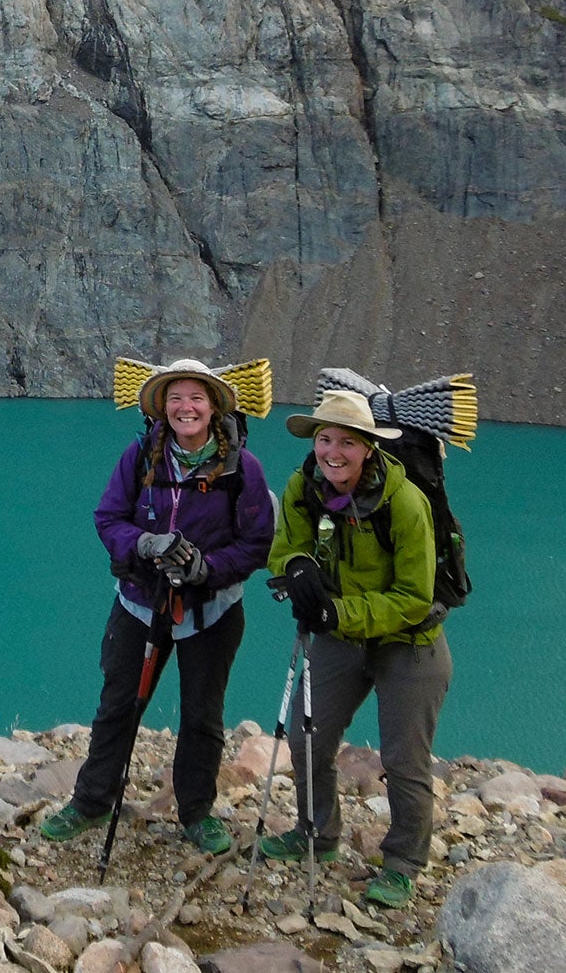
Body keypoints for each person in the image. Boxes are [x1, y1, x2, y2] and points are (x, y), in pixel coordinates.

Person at [39, 358, 275, 856]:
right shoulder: (142, 455)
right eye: (175, 398)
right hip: (141, 603)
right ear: (162, 408)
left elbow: (257, 542)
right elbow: (108, 517)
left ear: (213, 408)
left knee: (202, 714)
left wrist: (206, 568)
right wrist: (145, 544)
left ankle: (196, 811)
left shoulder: (242, 469)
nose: (185, 408)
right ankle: (91, 800)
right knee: (119, 703)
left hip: (210, 609)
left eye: (195, 398)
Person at [262, 388, 451, 908]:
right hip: (340, 639)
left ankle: (403, 864)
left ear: (369, 447)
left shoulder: (406, 502)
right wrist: (296, 565)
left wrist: (336, 612)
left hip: (409, 644)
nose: (333, 452)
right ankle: (316, 834)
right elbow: (285, 545)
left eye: (347, 441)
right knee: (307, 740)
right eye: (325, 439)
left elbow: (415, 596)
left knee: (404, 759)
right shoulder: (304, 485)